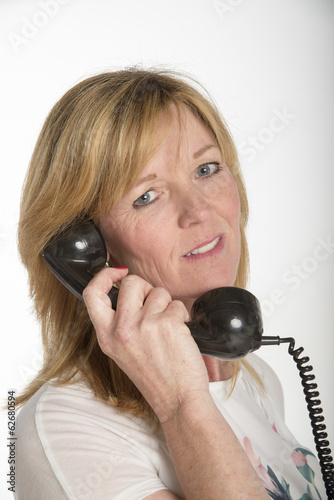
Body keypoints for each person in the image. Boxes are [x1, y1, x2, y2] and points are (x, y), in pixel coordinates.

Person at [15, 68, 326, 499]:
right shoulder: (63, 428)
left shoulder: (254, 378)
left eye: (207, 168)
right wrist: (183, 407)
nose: (199, 210)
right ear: (88, 250)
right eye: (147, 196)